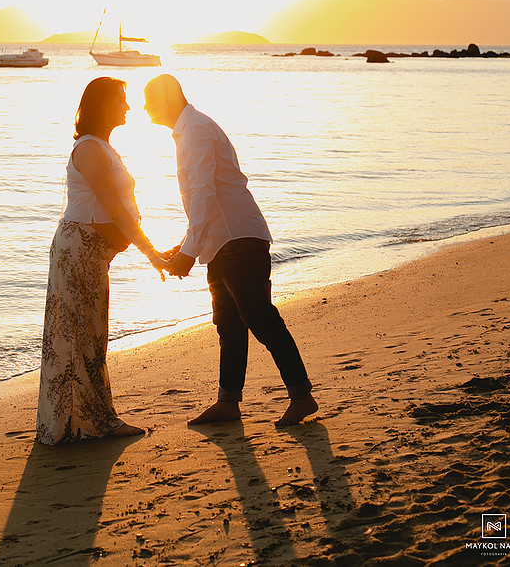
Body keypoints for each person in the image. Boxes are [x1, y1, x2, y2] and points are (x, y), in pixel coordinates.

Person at [143, 74, 318, 427]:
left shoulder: (195, 131)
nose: (144, 107)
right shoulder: (190, 130)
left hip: (238, 240)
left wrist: (188, 253)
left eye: (149, 99)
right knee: (229, 324)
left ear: (168, 98)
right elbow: (203, 201)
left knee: (258, 317)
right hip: (224, 242)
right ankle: (228, 402)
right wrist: (188, 244)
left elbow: (205, 195)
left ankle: (301, 395)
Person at [36, 77, 168, 445]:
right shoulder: (91, 148)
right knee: (80, 335)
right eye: (121, 100)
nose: (127, 107)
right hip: (79, 252)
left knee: (85, 334)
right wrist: (151, 252)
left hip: (89, 252)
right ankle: (89, 424)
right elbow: (113, 209)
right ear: (102, 105)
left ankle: (75, 423)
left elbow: (118, 211)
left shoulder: (102, 146)